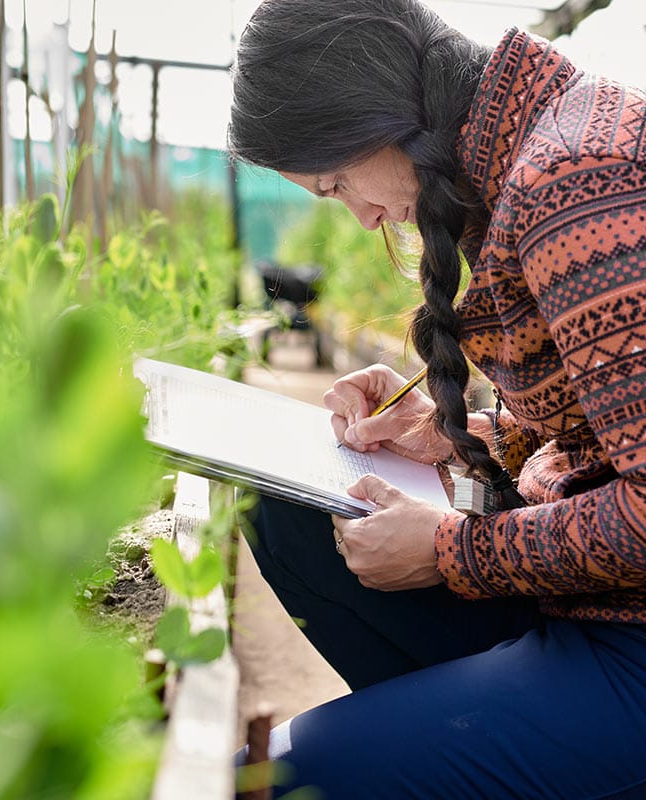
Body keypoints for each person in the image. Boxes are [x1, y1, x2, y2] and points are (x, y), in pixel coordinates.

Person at [227, 0, 646, 797]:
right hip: (592, 600)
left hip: (632, 642)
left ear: (373, 112)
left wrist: (452, 551)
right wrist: (454, 434)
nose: (360, 217)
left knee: (287, 779)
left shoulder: (578, 181)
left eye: (337, 183)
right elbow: (606, 429)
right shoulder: (518, 157)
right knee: (284, 506)